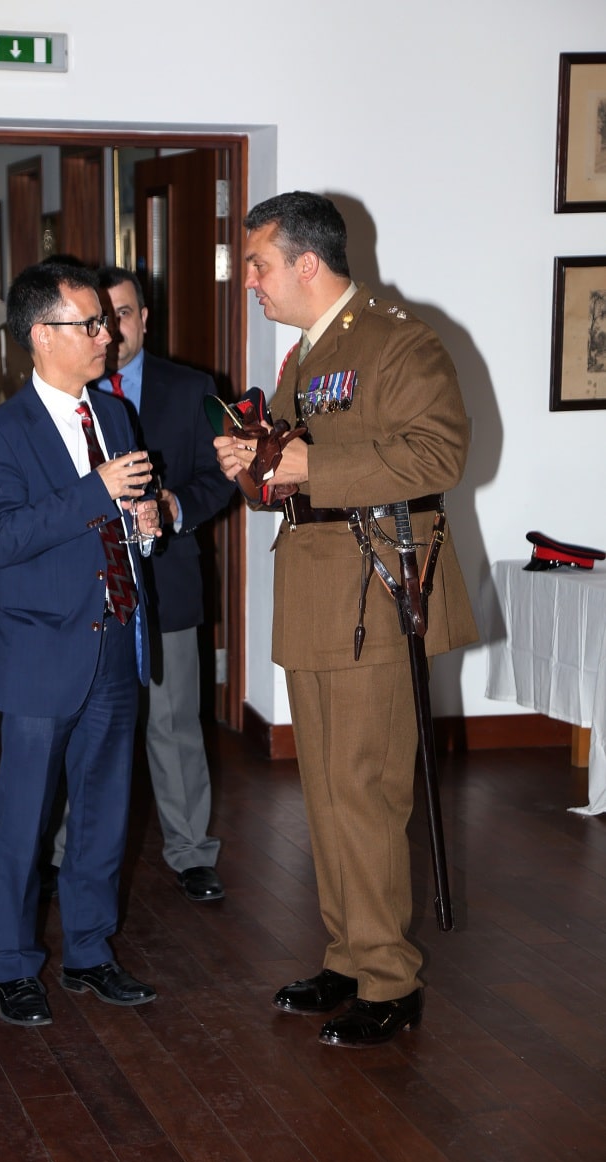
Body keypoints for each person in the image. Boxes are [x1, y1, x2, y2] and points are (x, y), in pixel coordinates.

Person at [215, 191, 478, 1048]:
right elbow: (296, 467)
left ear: (306, 263)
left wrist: (309, 464)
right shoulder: (309, 354)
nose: (249, 281)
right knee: (327, 794)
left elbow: (438, 454)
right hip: (320, 591)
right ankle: (350, 954)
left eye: (258, 264)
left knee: (365, 790)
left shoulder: (398, 341)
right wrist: (256, 464)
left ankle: (389, 980)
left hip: (378, 593)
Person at [0, 259, 161, 1026]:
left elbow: (123, 517)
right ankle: (13, 965)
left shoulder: (114, 415)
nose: (107, 336)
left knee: (105, 814)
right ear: (42, 335)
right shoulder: (0, 433)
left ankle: (89, 950)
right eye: (90, 324)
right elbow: (1, 538)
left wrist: (145, 524)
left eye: (106, 322)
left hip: (113, 640)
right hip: (41, 655)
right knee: (25, 821)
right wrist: (96, 492)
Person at [78, 266, 235, 902]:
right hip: (88, 592)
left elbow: (220, 477)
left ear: (144, 318)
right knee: (85, 725)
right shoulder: (68, 394)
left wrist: (174, 506)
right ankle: (65, 851)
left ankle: (191, 852)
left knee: (173, 723)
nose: (113, 331)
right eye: (100, 319)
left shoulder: (193, 389)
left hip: (167, 582)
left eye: (123, 314)